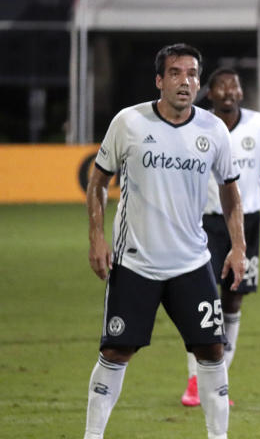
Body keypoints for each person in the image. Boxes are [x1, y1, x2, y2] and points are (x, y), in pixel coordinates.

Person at [84, 44, 244, 439]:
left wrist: (238, 247)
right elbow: (98, 181)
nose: (185, 81)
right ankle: (92, 436)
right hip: (135, 262)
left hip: (191, 262)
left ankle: (218, 436)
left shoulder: (213, 130)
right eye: (175, 73)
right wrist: (97, 237)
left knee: (211, 352)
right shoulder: (129, 123)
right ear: (159, 81)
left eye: (192, 74)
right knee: (116, 352)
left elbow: (230, 191)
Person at [180, 68, 260, 407]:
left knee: (233, 299)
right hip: (204, 222)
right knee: (202, 298)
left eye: (234, 86)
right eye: (221, 86)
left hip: (248, 223)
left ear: (241, 92)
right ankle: (196, 380)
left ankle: (219, 380)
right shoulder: (196, 126)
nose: (228, 91)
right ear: (209, 94)